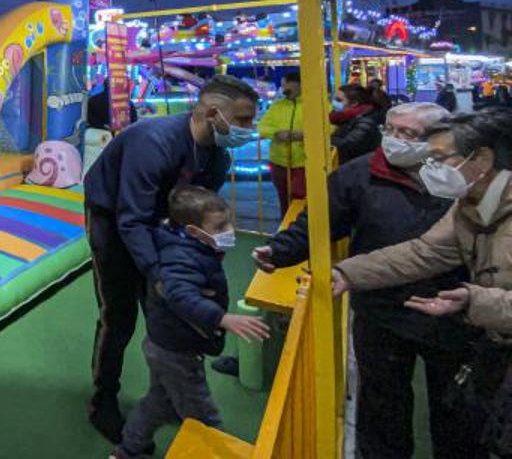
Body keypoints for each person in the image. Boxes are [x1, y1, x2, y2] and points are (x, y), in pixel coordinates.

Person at [255, 103, 481, 458]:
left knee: (457, 408)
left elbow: (438, 250)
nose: (393, 140)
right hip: (381, 308)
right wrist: (281, 251)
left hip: (454, 309)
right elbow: (321, 222)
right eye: (389, 130)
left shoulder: (465, 178)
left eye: (406, 133)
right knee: (382, 404)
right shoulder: (359, 174)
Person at [83, 73, 260, 443]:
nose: (250, 128)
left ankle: (171, 396)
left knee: (168, 313)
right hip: (113, 219)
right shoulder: (154, 142)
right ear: (214, 113)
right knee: (119, 315)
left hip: (161, 219)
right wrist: (158, 274)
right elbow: (130, 219)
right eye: (243, 119)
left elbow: (197, 214)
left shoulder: (217, 156)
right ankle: (103, 400)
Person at [333, 110, 512, 456]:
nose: (431, 168)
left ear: (483, 159)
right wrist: (347, 273)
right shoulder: (470, 205)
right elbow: (424, 252)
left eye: (440, 159)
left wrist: (473, 301)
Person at [115, 186, 270, 459]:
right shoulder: (180, 257)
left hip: (167, 344)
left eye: (228, 222)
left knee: (159, 402)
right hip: (175, 351)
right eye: (220, 226)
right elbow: (178, 294)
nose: (229, 230)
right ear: (194, 232)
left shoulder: (192, 246)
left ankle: (129, 448)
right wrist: (222, 318)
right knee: (203, 418)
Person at [257, 71, 305, 213]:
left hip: (304, 162)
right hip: (278, 162)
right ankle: (286, 229)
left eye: (286, 85)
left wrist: (304, 135)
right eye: (282, 85)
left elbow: (329, 127)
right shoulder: (277, 105)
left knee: (299, 198)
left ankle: (302, 229)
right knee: (283, 199)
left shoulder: (317, 104)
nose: (283, 89)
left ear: (299, 84)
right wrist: (276, 134)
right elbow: (262, 126)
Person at [330, 83, 382, 164]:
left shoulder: (366, 121)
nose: (334, 103)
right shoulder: (347, 118)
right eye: (333, 99)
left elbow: (347, 145)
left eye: (339, 100)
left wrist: (321, 138)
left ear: (354, 103)